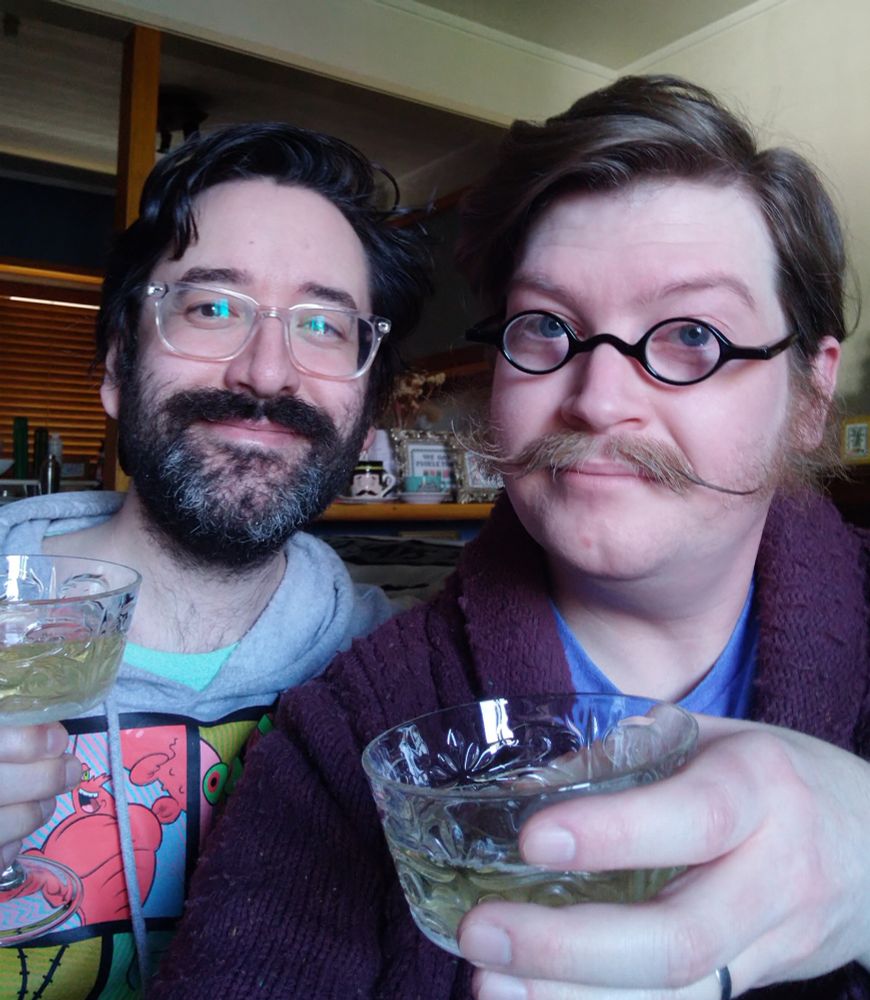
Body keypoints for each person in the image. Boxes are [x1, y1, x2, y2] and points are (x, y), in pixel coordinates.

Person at [151, 76, 870, 999]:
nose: (599, 398)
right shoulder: (355, 728)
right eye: (547, 328)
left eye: (692, 333)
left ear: (811, 393)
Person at [0, 122, 430, 997]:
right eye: (213, 308)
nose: (267, 372)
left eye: (322, 324)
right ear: (118, 366)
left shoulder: (405, 691)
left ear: (367, 405)